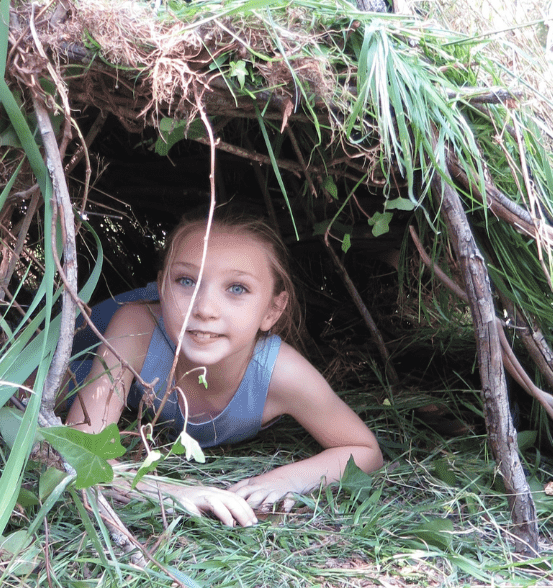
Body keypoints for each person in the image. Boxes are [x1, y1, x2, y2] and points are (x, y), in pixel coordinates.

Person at [66, 206, 383, 526]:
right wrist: (174, 493)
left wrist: (285, 481)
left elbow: (364, 448)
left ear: (272, 310)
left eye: (237, 288)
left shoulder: (279, 373)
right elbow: (79, 451)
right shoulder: (135, 329)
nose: (204, 308)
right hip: (85, 337)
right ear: (163, 288)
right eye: (186, 280)